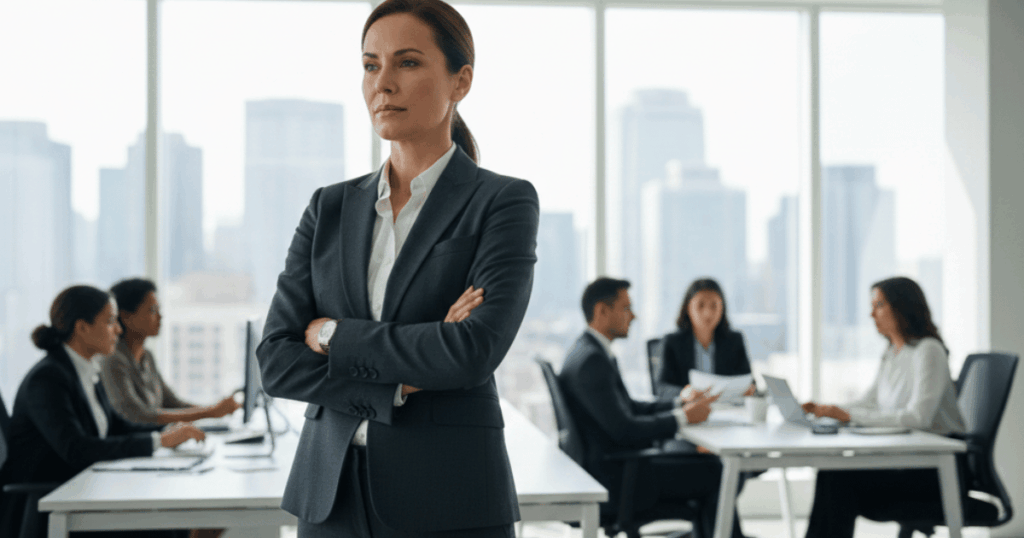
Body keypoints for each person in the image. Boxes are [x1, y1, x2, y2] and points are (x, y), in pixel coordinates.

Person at [255, 0, 539, 536]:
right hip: (330, 495)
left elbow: (472, 352)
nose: (382, 84)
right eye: (370, 65)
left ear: (461, 82)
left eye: (407, 63)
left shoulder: (502, 201)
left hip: (450, 495)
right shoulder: (328, 207)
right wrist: (401, 382)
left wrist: (334, 335)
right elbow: (276, 361)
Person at [0, 285, 204, 538]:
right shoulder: (48, 378)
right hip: (49, 505)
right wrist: (158, 441)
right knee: (173, 528)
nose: (118, 330)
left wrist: (168, 432)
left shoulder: (86, 370)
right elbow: (77, 449)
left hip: (83, 491)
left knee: (182, 520)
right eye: (110, 322)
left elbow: (117, 426)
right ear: (82, 327)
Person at [558, 277, 747, 538]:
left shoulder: (587, 351)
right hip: (621, 477)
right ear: (602, 311)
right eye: (626, 308)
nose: (633, 316)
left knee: (712, 469)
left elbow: (628, 409)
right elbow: (624, 430)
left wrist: (678, 404)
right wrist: (683, 418)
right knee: (717, 471)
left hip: (618, 467)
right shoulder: (592, 361)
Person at [800, 276, 966, 538]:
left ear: (902, 307)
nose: (871, 313)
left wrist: (849, 415)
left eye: (878, 305)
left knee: (837, 479)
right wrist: (829, 410)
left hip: (934, 471)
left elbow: (919, 418)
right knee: (832, 474)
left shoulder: (929, 350)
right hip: (905, 460)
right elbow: (870, 402)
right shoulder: (892, 352)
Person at [100, 278, 240, 426]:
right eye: (152, 311)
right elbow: (137, 415)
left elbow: (173, 403)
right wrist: (210, 412)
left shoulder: (146, 356)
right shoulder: (113, 360)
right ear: (126, 317)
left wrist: (216, 410)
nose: (160, 317)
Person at [655, 278, 754, 401]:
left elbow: (748, 381)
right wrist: (684, 393)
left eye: (714, 306)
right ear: (688, 308)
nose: (708, 313)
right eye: (700, 305)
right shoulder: (673, 342)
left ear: (722, 308)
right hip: (689, 412)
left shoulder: (734, 340)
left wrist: (749, 389)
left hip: (728, 410)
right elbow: (661, 388)